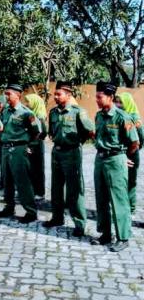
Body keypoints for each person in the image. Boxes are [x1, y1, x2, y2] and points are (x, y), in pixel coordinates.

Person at [43, 81, 95, 237]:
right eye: (55, 94)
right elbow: (51, 132)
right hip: (56, 153)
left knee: (75, 190)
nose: (56, 96)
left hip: (72, 153)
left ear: (68, 94)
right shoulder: (53, 112)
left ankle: (79, 224)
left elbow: (90, 130)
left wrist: (79, 141)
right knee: (56, 188)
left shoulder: (78, 112)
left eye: (59, 94)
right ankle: (57, 217)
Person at [93, 82, 139, 252]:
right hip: (100, 160)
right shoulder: (98, 116)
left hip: (115, 161)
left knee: (118, 200)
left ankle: (123, 237)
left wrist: (123, 157)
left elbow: (134, 142)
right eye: (96, 96)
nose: (97, 100)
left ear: (110, 97)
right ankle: (105, 234)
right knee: (101, 199)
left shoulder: (122, 117)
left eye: (100, 97)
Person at [0, 84, 40, 223]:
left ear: (18, 95)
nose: (6, 96)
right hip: (5, 148)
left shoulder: (26, 113)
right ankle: (9, 207)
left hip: (19, 149)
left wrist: (29, 146)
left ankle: (31, 211)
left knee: (22, 181)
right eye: (6, 94)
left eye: (9, 94)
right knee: (7, 180)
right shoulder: (5, 111)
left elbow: (37, 131)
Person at [115, 92, 143, 214]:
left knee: (130, 182)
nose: (118, 104)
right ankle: (121, 207)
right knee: (119, 182)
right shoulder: (117, 116)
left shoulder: (134, 118)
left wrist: (135, 149)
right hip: (119, 153)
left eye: (121, 102)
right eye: (116, 101)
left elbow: (141, 136)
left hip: (131, 153)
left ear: (128, 103)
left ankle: (131, 209)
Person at [25, 94, 48, 198]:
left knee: (38, 168)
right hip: (32, 143)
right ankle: (33, 190)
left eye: (28, 102)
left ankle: (39, 192)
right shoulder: (31, 114)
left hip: (36, 144)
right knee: (31, 168)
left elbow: (44, 131)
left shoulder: (39, 115)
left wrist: (37, 140)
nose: (26, 104)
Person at [0, 95, 7, 191]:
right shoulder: (1, 113)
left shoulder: (6, 113)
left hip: (5, 142)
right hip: (1, 142)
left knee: (6, 164)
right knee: (2, 163)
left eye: (0, 103)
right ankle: (2, 182)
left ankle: (5, 183)